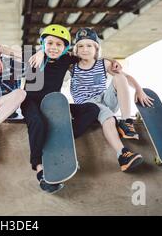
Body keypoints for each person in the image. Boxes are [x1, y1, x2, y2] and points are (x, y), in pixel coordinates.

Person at [23, 24, 122, 194]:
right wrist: (38, 51)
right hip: (30, 102)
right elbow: (8, 51)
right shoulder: (32, 54)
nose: (54, 47)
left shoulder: (67, 59)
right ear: (43, 43)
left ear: (65, 48)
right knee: (37, 123)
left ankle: (62, 137)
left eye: (59, 45)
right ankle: (40, 171)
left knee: (92, 109)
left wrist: (112, 62)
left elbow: (90, 54)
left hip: (53, 105)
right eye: (50, 43)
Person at [70, 27, 154, 172]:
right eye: (81, 46)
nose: (85, 49)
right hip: (87, 106)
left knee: (119, 76)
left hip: (105, 100)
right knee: (108, 119)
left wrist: (139, 89)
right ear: (76, 49)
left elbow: (126, 77)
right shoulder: (72, 66)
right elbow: (57, 56)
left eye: (89, 45)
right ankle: (122, 154)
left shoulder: (103, 64)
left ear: (96, 48)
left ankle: (127, 122)